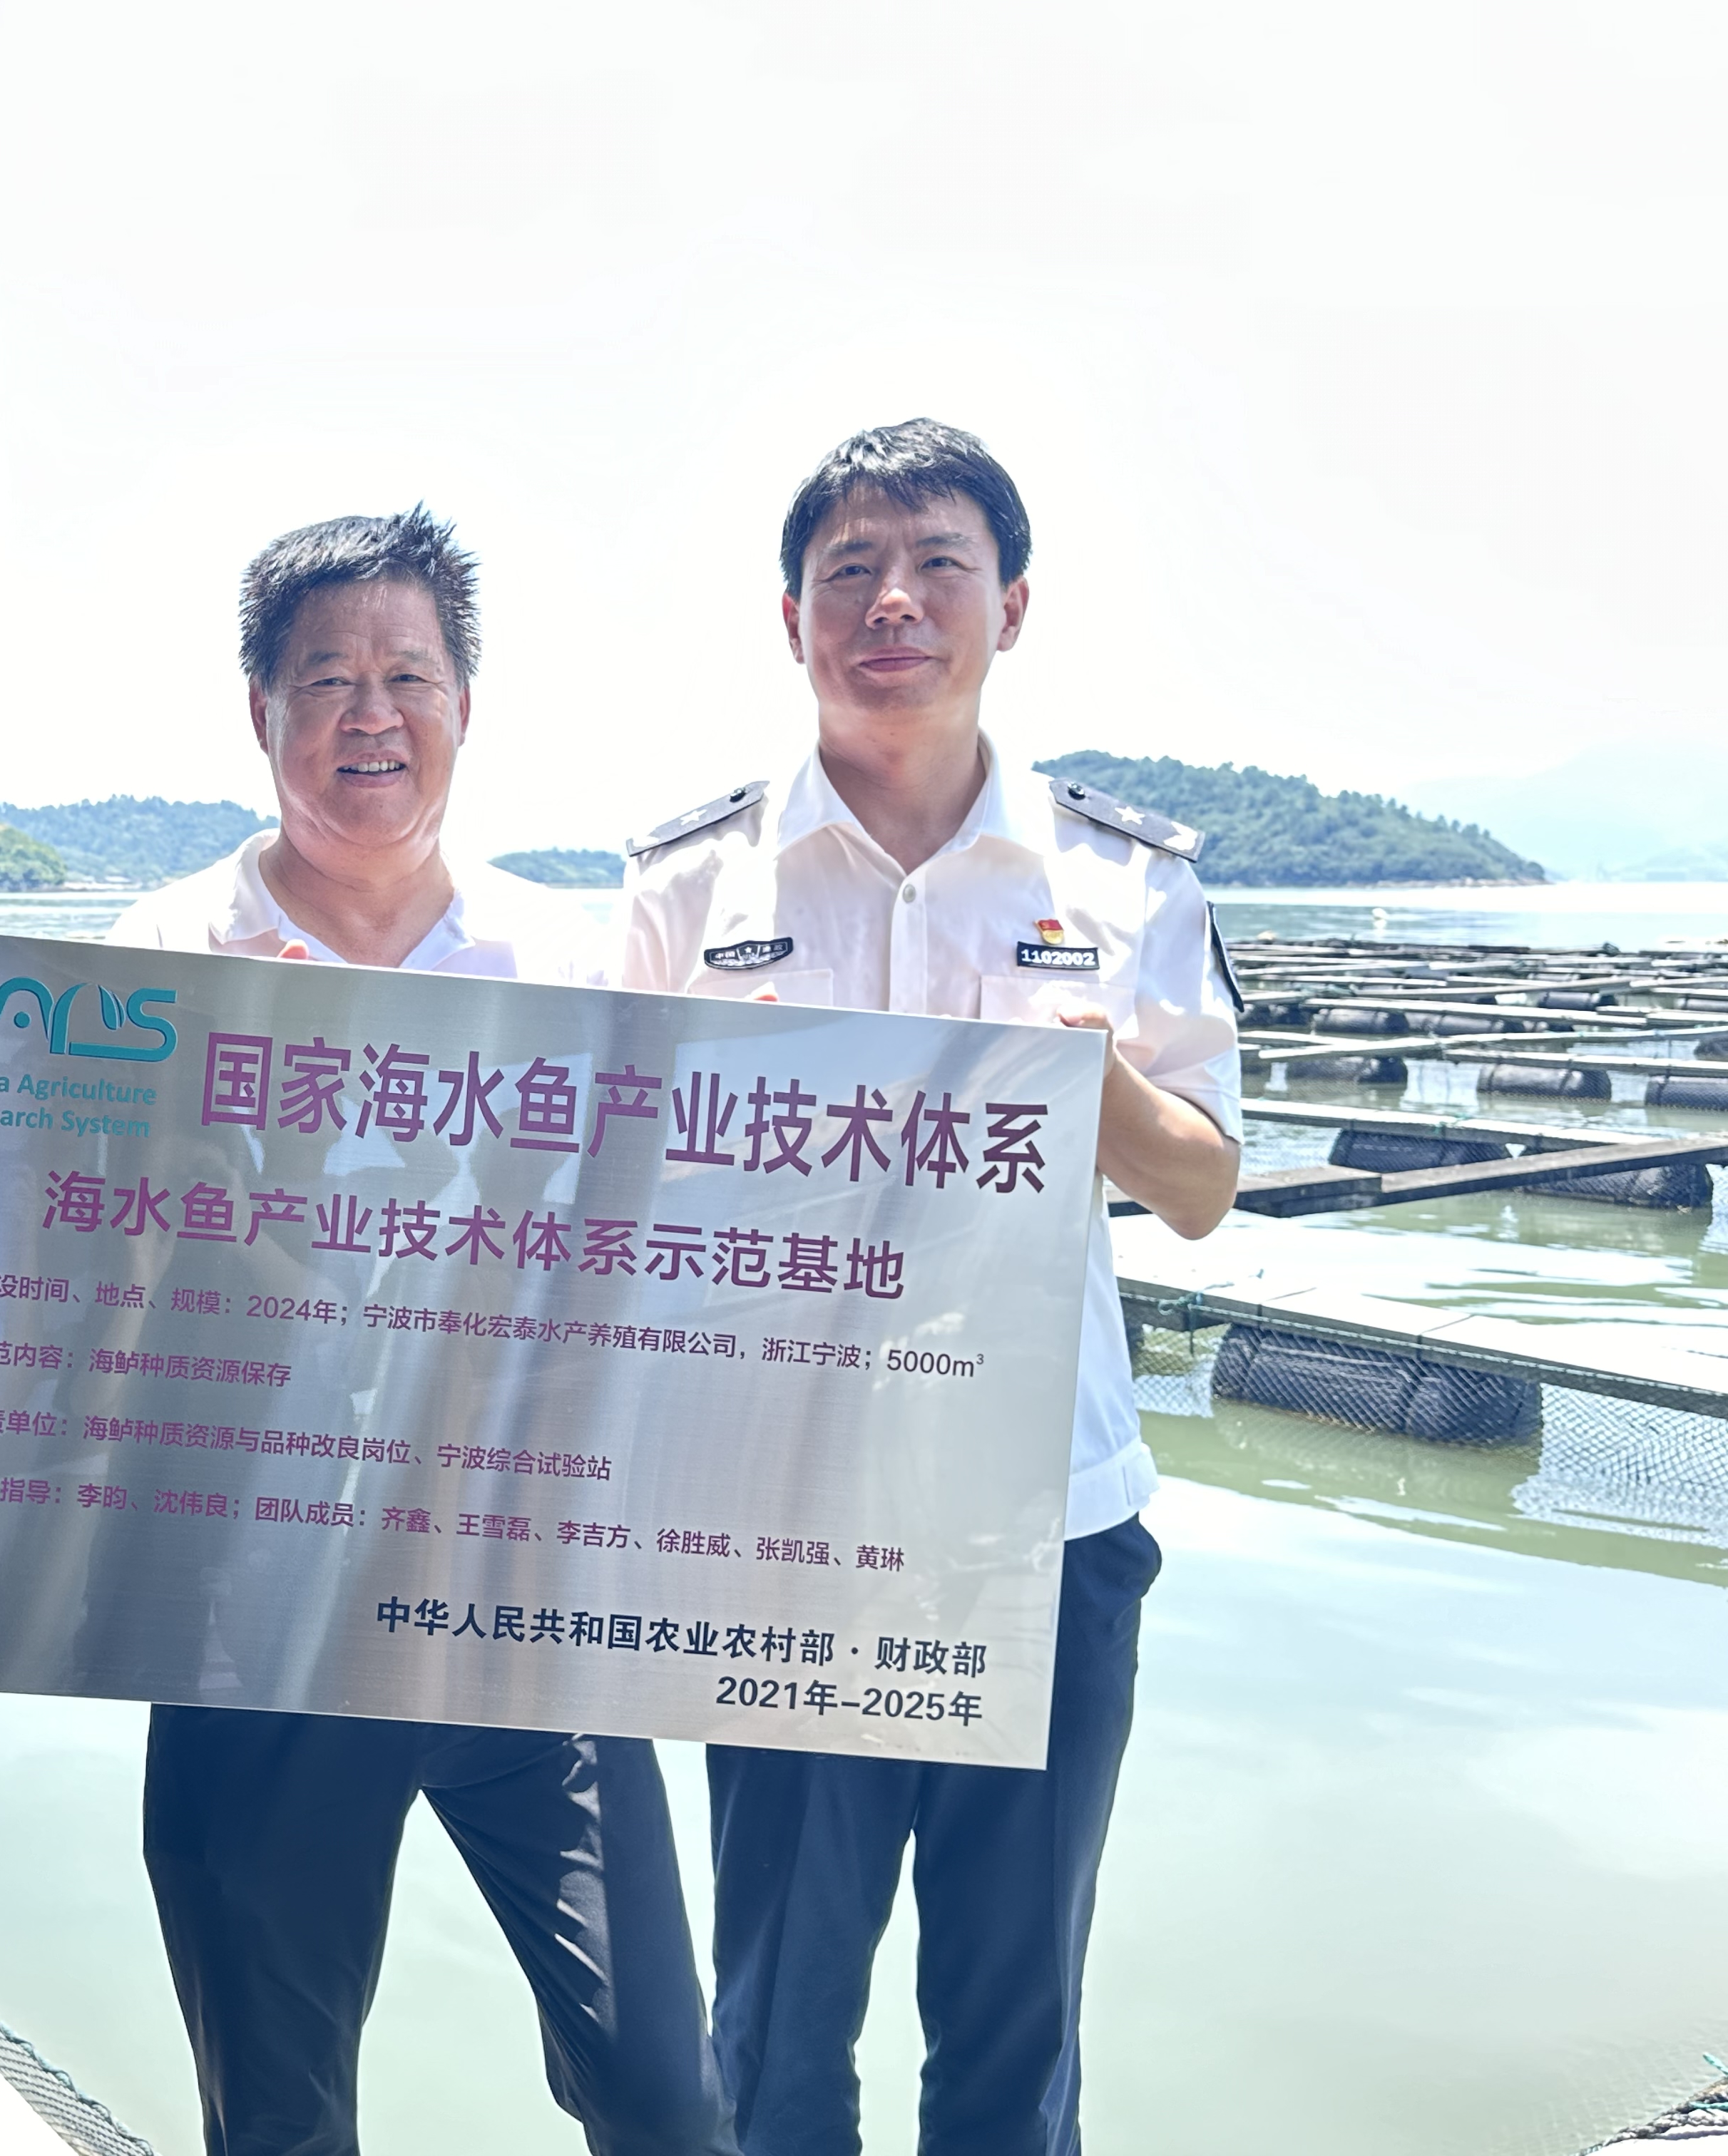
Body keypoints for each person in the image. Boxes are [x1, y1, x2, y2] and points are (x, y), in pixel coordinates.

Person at [619, 420, 1241, 2156]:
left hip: (1047, 1528)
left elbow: (1205, 1190)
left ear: (1011, 605)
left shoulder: (1124, 880)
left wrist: (1097, 1086)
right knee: (774, 2039)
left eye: (938, 564)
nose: (892, 601)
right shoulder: (687, 882)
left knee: (1012, 2039)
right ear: (793, 618)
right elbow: (600, 1201)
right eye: (850, 571)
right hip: (780, 1538)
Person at [111, 508, 738, 2156]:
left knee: (668, 2091)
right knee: (281, 2111)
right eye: (328, 678)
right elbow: (70, 1296)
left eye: (409, 676)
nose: (371, 714)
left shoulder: (581, 967)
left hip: (524, 1603)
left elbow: (668, 1275)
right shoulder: (153, 968)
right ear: (261, 710)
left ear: (468, 704)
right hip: (259, 1619)